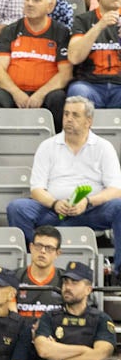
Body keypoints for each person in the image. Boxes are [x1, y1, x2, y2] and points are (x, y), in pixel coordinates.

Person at [7, 98, 121, 272]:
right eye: (66, 114)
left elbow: (115, 189)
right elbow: (36, 189)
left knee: (119, 206)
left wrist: (87, 202)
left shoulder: (103, 147)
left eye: (75, 115)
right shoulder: (47, 146)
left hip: (90, 211)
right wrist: (54, 203)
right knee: (17, 208)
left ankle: (118, 271)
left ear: (88, 121)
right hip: (52, 210)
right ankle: (32, 267)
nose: (68, 119)